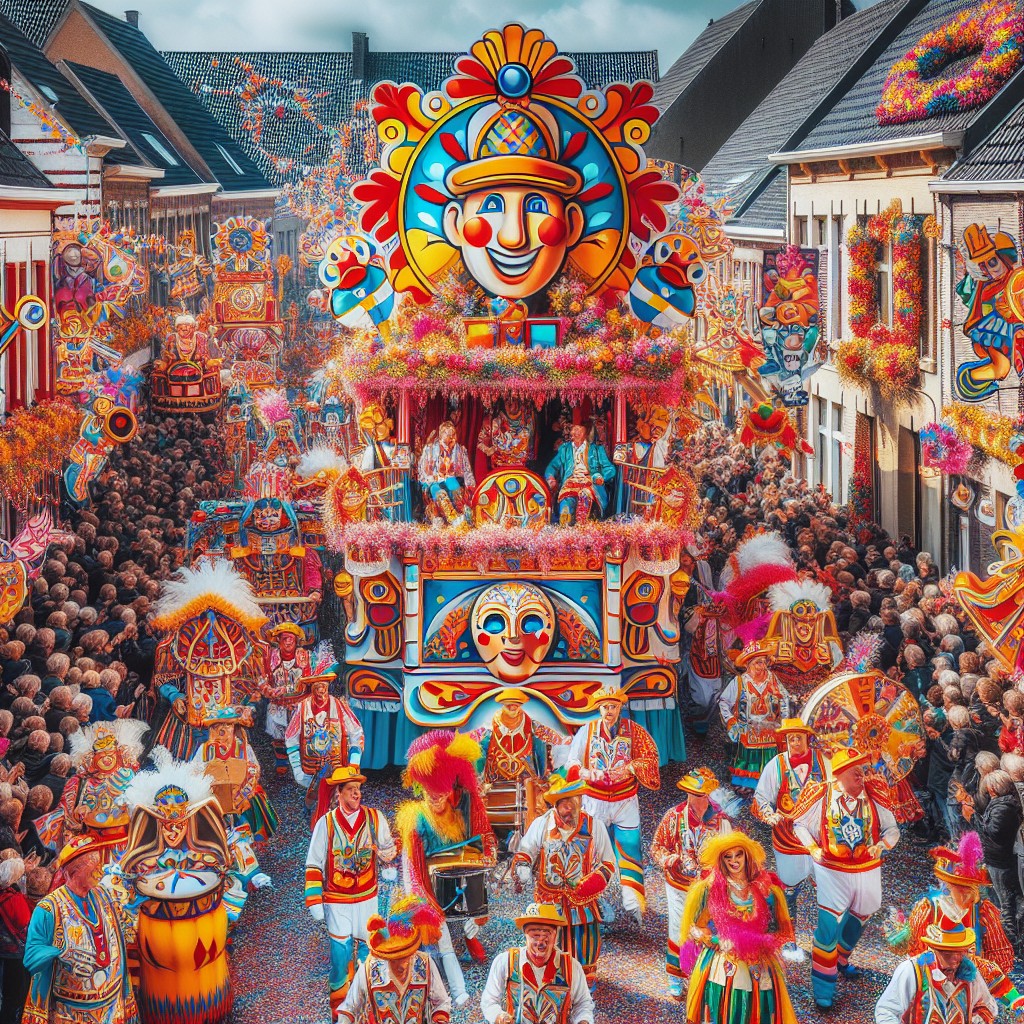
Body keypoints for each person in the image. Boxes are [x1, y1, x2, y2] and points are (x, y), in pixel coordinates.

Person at [792, 747, 901, 1010]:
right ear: (838, 775)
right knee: (828, 926)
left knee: (865, 912)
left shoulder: (874, 796)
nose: (861, 775)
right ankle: (824, 989)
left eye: (862, 770)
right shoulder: (822, 796)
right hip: (832, 870)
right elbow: (800, 825)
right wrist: (812, 847)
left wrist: (882, 845)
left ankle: (840, 957)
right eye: (855, 771)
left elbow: (892, 829)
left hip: (868, 870)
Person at [396, 730, 496, 1008]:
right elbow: (413, 871)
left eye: (442, 792)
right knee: (437, 941)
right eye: (432, 792)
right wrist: (425, 903)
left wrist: (488, 852)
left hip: (453, 874)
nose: (438, 798)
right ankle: (451, 991)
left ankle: (468, 934)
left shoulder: (461, 806)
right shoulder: (413, 819)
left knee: (476, 908)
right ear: (421, 788)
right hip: (422, 878)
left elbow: (481, 832)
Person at [304, 764, 397, 1014]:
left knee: (369, 952)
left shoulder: (376, 818)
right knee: (339, 953)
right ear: (339, 793)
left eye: (359, 789)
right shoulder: (327, 824)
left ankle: (364, 1001)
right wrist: (315, 901)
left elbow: (389, 850)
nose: (357, 794)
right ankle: (339, 1006)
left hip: (368, 897)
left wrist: (385, 852)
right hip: (337, 900)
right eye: (351, 789)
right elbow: (314, 862)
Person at [512, 767, 616, 991]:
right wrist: (522, 865)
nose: (572, 809)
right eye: (567, 805)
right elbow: (526, 850)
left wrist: (591, 884)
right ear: (556, 805)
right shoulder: (542, 824)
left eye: (575, 802)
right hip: (549, 903)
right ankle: (552, 985)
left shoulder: (594, 826)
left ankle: (584, 989)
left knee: (585, 945)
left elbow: (608, 864)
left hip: (582, 904)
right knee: (548, 946)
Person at [679, 831, 797, 1024]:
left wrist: (764, 942)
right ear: (721, 861)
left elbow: (784, 931)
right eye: (728, 856)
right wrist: (716, 940)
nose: (734, 861)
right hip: (724, 965)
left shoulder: (767, 890)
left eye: (738, 855)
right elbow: (696, 928)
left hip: (759, 964)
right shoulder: (711, 890)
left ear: (747, 856)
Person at [566, 686, 659, 924]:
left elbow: (650, 757)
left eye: (614, 707)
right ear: (598, 708)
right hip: (594, 801)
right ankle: (595, 901)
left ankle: (633, 899)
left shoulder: (634, 731)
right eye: (606, 707)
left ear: (620, 707)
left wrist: (629, 768)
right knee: (592, 851)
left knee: (630, 848)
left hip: (625, 800)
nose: (610, 711)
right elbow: (571, 763)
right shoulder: (586, 732)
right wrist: (586, 772)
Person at [23, 835, 139, 1024]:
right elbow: (31, 957)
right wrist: (62, 952)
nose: (100, 871)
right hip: (70, 1013)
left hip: (112, 1008)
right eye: (94, 866)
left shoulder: (103, 895)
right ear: (76, 871)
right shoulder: (48, 909)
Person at [903, 832, 1022, 1012]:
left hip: (970, 987)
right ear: (949, 888)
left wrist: (1015, 1002)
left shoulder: (983, 912)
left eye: (973, 889)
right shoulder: (928, 909)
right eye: (964, 890)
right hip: (932, 987)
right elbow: (914, 954)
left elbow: (996, 961)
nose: (971, 895)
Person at [650, 766, 732, 999]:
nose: (694, 798)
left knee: (709, 928)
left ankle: (703, 973)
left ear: (708, 795)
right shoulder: (674, 816)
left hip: (709, 886)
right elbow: (656, 847)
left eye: (699, 794)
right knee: (678, 928)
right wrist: (672, 860)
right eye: (690, 793)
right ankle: (675, 976)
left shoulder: (720, 820)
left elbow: (729, 851)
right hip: (679, 884)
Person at [752, 717, 825, 962]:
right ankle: (788, 937)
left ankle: (824, 941)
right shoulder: (776, 765)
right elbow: (761, 797)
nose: (794, 742)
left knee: (825, 891)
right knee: (789, 891)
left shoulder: (824, 762)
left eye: (798, 737)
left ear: (807, 738)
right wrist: (769, 814)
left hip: (819, 840)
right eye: (790, 738)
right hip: (787, 839)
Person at [337, 894, 451, 1024]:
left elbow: (441, 1002)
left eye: (405, 957)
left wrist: (440, 1019)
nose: (402, 965)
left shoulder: (425, 963)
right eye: (395, 960)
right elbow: (349, 1008)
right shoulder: (368, 969)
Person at [480, 903, 594, 1024]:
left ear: (556, 936)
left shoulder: (571, 966)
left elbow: (583, 1003)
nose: (540, 942)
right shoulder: (505, 961)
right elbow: (489, 1000)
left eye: (546, 935)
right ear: (525, 935)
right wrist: (499, 1017)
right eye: (535, 935)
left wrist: (583, 1020)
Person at [875, 923, 997, 1024]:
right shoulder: (912, 970)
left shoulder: (971, 974)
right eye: (948, 953)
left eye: (960, 952)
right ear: (936, 950)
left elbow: (987, 1006)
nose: (956, 958)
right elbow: (886, 1011)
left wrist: (979, 1019)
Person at [718, 641, 791, 791]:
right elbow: (724, 702)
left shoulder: (772, 679)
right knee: (748, 756)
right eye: (758, 663)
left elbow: (784, 699)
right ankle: (748, 784)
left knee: (771, 756)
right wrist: (731, 721)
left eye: (764, 662)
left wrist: (784, 720)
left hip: (770, 728)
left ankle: (770, 783)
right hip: (748, 727)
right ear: (748, 664)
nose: (762, 666)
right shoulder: (740, 682)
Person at [284, 678, 364, 805]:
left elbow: (357, 733)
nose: (321, 690)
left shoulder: (339, 705)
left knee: (337, 804)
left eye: (323, 686)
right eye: (317, 686)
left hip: (338, 769)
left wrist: (354, 763)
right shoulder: (303, 707)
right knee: (313, 802)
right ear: (311, 688)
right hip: (310, 772)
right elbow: (291, 738)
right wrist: (297, 768)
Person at [544, 423, 615, 525]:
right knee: (565, 507)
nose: (576, 433)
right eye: (574, 430)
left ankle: (582, 528)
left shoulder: (597, 450)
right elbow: (553, 466)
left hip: (590, 482)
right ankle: (565, 526)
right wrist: (550, 478)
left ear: (585, 433)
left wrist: (601, 477)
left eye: (579, 430)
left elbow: (609, 468)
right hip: (570, 482)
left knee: (585, 499)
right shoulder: (565, 449)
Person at [417, 420, 475, 526]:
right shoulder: (429, 450)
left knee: (454, 486)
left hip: (451, 478)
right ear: (441, 435)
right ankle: (453, 518)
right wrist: (435, 477)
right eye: (449, 435)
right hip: (433, 482)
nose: (452, 438)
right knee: (439, 492)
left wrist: (471, 487)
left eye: (454, 435)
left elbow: (466, 471)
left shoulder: (459, 450)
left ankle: (463, 514)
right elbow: (423, 473)